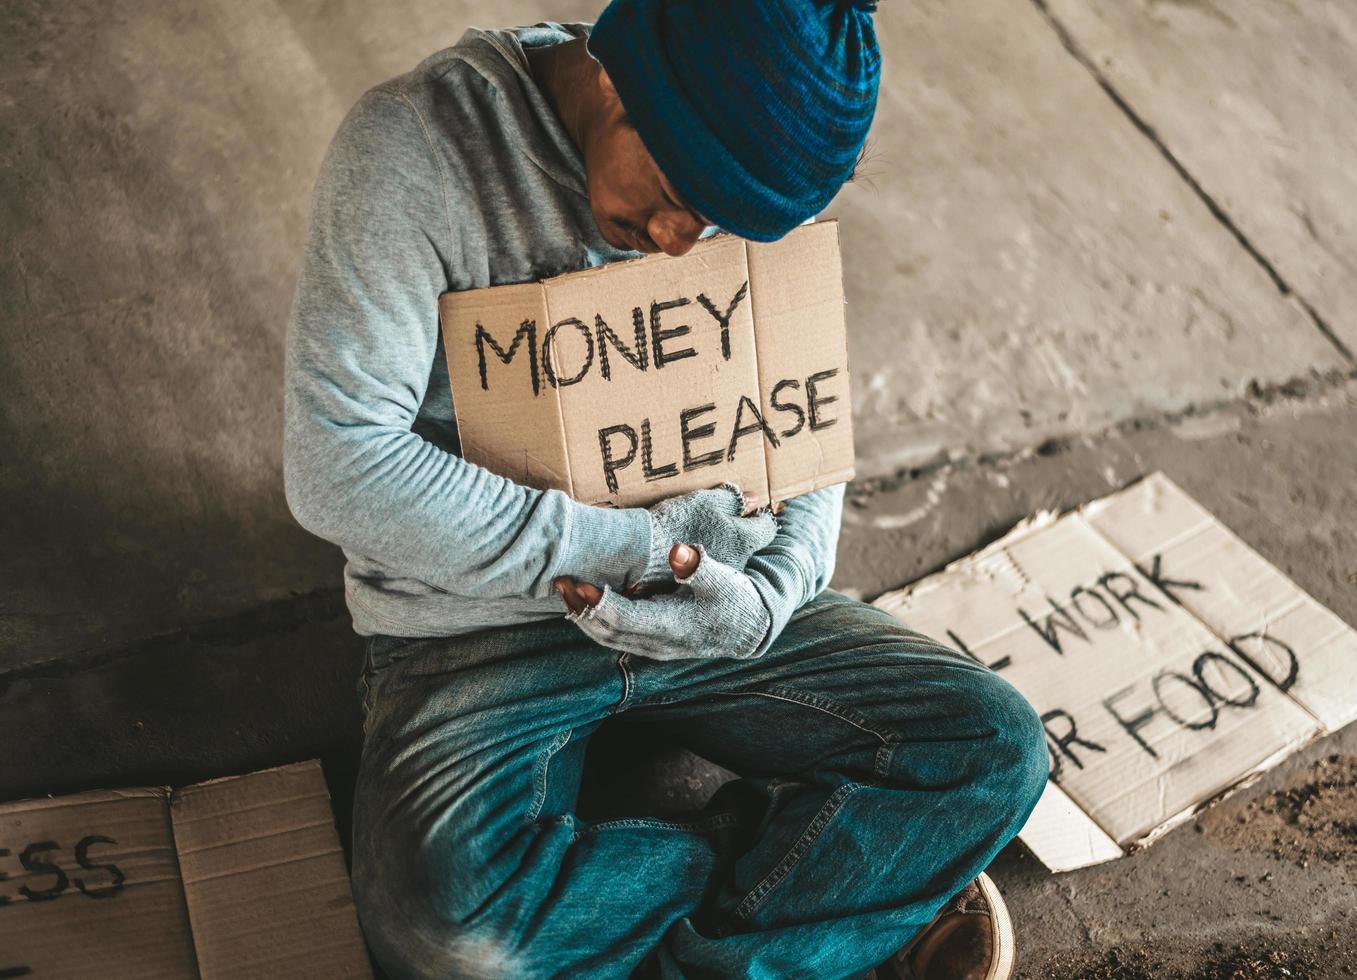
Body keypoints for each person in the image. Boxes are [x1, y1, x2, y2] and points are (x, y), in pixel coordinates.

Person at [281, 1, 1049, 977]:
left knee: (995, 749)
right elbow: (337, 464)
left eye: (727, 219)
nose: (685, 238)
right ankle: (809, 873)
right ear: (615, 74)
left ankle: (711, 938)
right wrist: (635, 549)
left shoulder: (750, 175)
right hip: (477, 619)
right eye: (674, 188)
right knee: (451, 935)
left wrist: (775, 592)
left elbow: (798, 420)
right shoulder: (419, 151)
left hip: (716, 596)